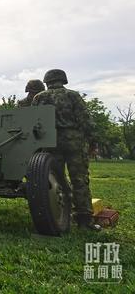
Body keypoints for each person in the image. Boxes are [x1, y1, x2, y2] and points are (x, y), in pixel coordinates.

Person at [32, 69, 101, 231]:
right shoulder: (73, 96)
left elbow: (33, 122)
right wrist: (93, 142)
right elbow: (86, 121)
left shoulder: (39, 98)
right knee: (80, 180)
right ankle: (84, 221)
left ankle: (60, 214)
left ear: (47, 81)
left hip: (50, 143)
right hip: (74, 143)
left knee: (57, 181)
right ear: (63, 80)